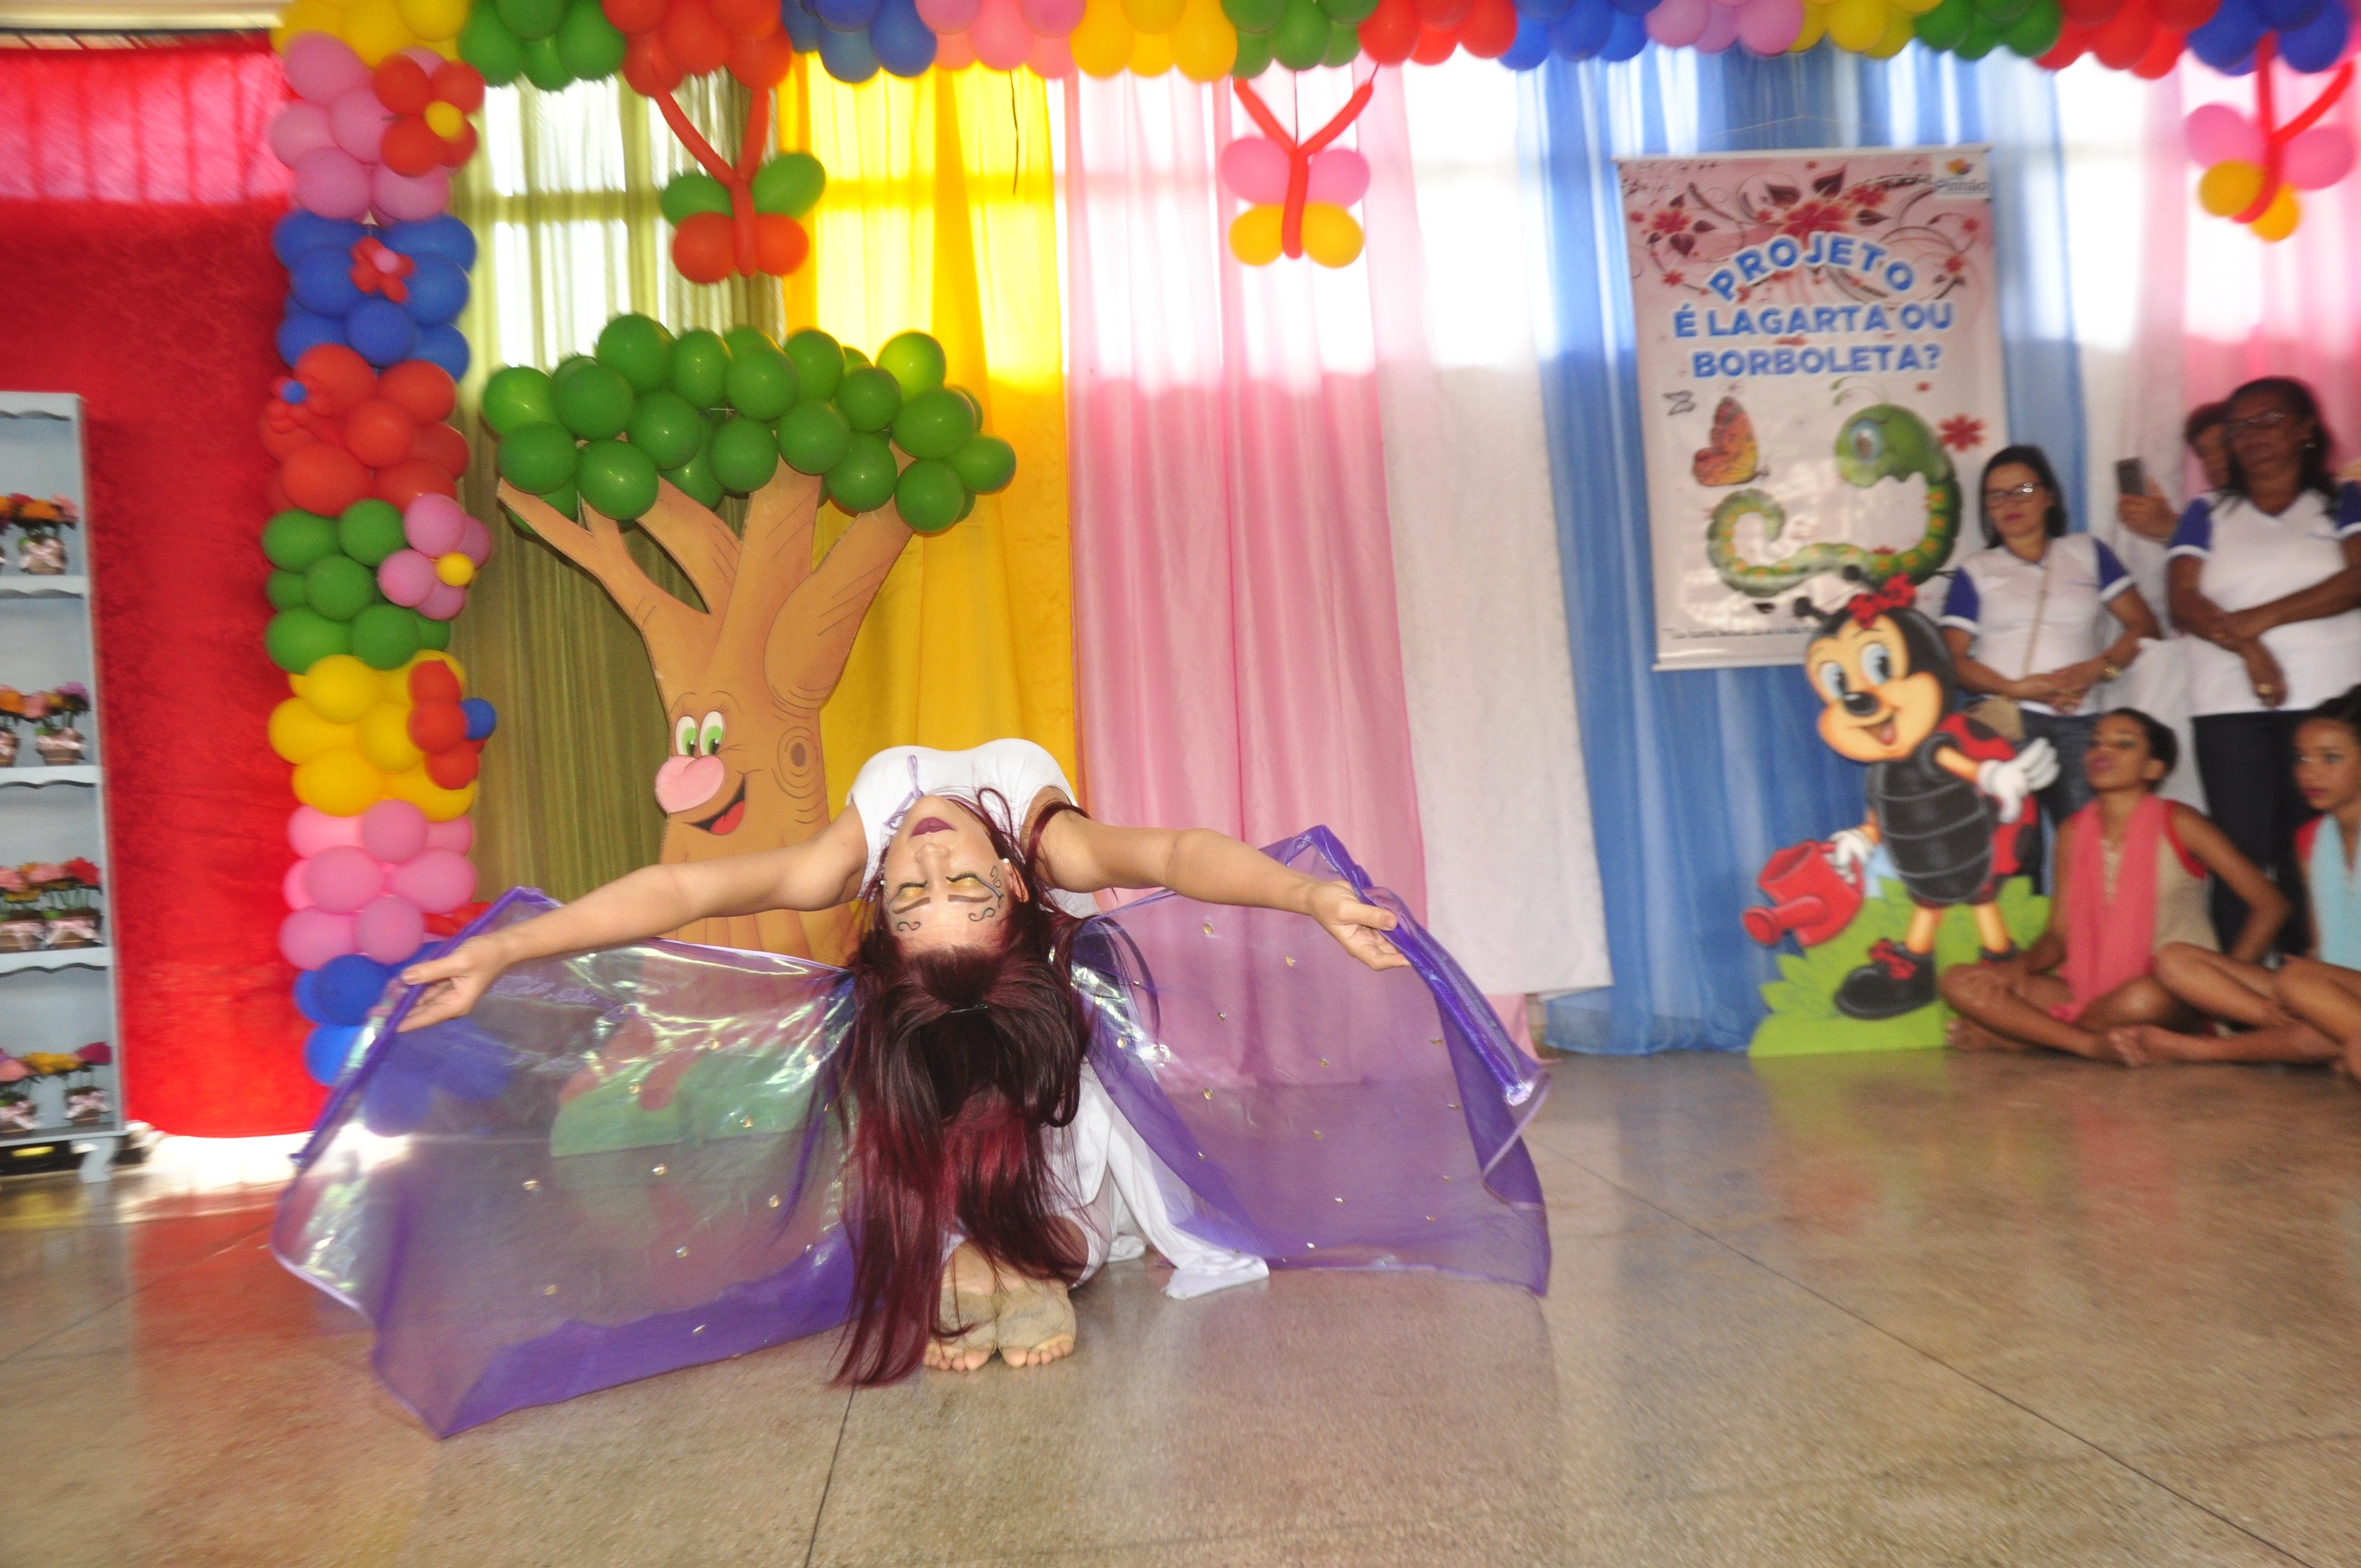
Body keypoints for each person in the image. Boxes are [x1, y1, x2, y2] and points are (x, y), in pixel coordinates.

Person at [395, 738, 1424, 1382]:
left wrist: (1305, 895)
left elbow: (1174, 856)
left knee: (1042, 1129)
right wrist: (507, 949)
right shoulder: (1029, 836)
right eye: (927, 891)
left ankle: (1032, 1253)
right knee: (911, 1108)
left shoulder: (1012, 848)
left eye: (936, 890)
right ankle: (987, 1256)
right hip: (947, 1044)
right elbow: (682, 893)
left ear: (1015, 891)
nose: (928, 861)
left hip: (1043, 1059)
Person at [1938, 709, 2284, 1061]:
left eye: (2124, 744)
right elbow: (2059, 936)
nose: (2103, 751)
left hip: (2170, 993)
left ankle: (2029, 1038)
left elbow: (2271, 905)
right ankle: (2087, 1044)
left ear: (2154, 769)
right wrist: (2019, 967)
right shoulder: (2072, 832)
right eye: (2096, 743)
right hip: (2086, 990)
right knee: (1959, 981)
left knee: (2140, 999)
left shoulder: (2180, 822)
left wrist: (2223, 988)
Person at [2169, 377, 2361, 950]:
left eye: (2269, 420)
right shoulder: (2205, 511)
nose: (2252, 435)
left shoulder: (2342, 501)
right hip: (2228, 707)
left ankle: (2319, 980)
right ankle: (2239, 990)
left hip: (2329, 710)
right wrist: (2250, 649)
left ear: (2306, 429)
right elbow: (2182, 600)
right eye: (2239, 427)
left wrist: (2260, 619)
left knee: (2316, 846)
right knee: (2239, 855)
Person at [1940, 445, 2161, 876]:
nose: (2010, 503)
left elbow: (2145, 627)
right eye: (1996, 496)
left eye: (2023, 490)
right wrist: (2015, 688)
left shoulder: (2087, 552)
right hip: (2005, 720)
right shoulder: (1977, 569)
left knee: (2092, 850)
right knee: (2013, 852)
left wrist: (2096, 670)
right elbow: (1953, 661)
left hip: (2082, 722)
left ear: (2049, 496)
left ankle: (2088, 924)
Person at [2114, 688, 2361, 1069]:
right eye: (2302, 758)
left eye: (2331, 758)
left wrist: (2310, 986)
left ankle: (2205, 1050)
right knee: (2175, 959)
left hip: (2324, 988)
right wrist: (2307, 987)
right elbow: (2319, 946)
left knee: (2298, 982)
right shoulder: (2310, 840)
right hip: (2321, 989)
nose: (2310, 772)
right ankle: (2315, 1031)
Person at [2115, 402, 2231, 545]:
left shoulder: (2255, 505)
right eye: (2203, 453)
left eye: (2223, 444)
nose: (2213, 458)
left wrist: (2172, 527)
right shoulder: (2206, 510)